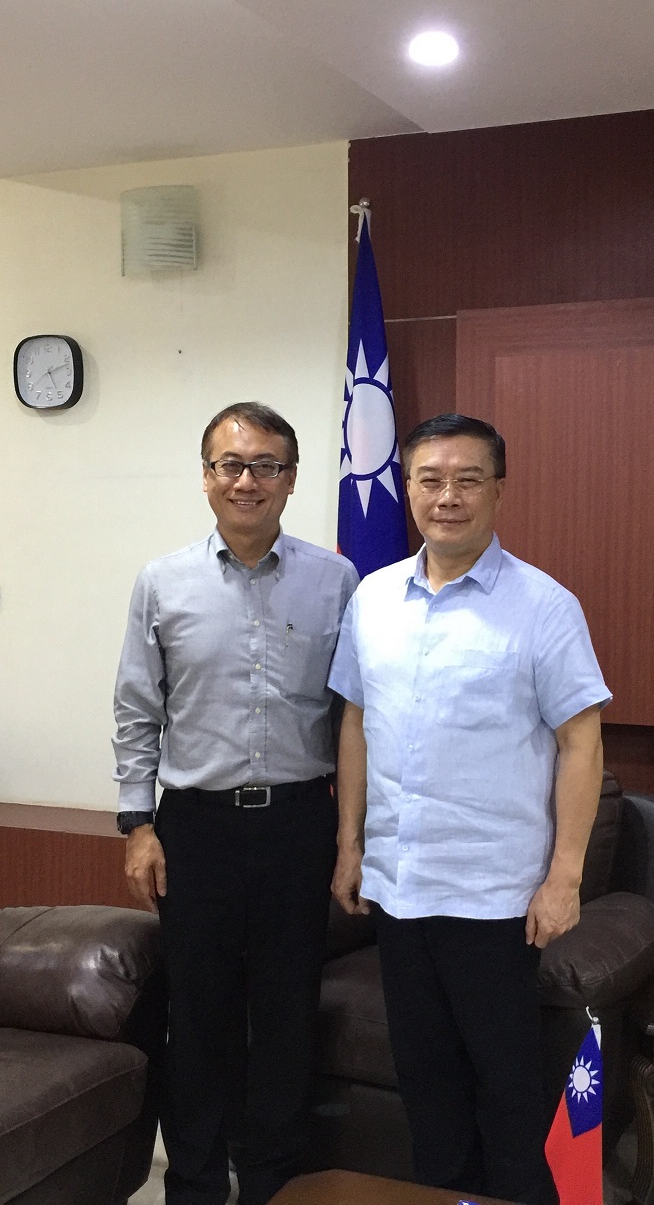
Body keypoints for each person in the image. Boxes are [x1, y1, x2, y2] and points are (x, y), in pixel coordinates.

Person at [328, 413, 612, 1205]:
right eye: (430, 480)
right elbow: (354, 721)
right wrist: (350, 846)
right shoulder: (373, 598)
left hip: (495, 898)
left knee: (509, 1089)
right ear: (408, 488)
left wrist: (565, 876)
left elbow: (581, 742)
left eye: (467, 480)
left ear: (498, 491)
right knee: (426, 1083)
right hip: (399, 886)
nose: (446, 496)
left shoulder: (544, 606)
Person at [112, 401, 358, 1205]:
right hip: (196, 830)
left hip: (298, 824)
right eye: (230, 464)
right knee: (198, 1017)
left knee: (286, 1017)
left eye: (265, 466)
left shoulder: (336, 581)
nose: (246, 481)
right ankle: (192, 1186)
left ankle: (273, 1185)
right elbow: (137, 711)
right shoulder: (162, 581)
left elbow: (353, 717)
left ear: (291, 478)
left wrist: (350, 838)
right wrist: (137, 824)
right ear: (207, 476)